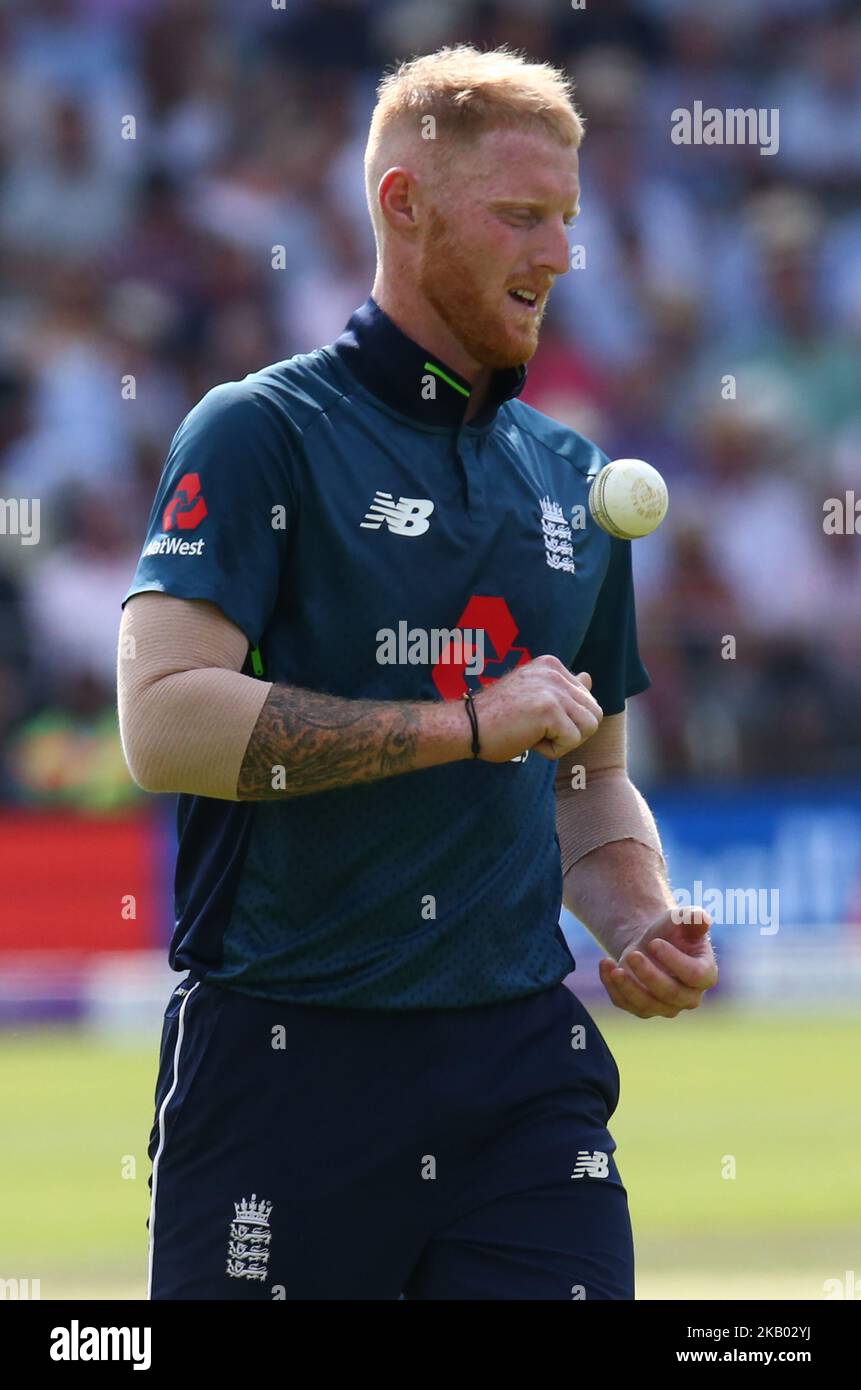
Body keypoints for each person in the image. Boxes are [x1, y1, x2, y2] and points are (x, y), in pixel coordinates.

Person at [117, 45, 717, 1301]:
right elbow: (163, 723)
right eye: (518, 216)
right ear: (403, 205)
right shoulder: (261, 431)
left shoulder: (573, 479)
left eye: (566, 219)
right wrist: (464, 723)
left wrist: (635, 916)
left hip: (519, 1075)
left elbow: (587, 784)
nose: (558, 254)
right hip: (284, 1069)